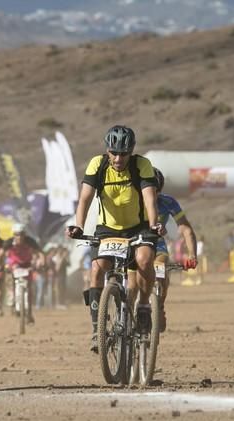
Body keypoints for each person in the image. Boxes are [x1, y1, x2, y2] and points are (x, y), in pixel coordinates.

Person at [65, 125, 164, 353]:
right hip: (108, 229)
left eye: (124, 153)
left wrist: (154, 224)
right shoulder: (97, 165)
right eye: (114, 153)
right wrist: (78, 226)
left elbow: (150, 199)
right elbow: (85, 199)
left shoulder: (142, 165)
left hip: (139, 227)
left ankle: (145, 305)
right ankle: (96, 329)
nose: (119, 158)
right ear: (107, 151)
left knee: (145, 261)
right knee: (97, 270)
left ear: (131, 152)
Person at [151, 167, 197, 332]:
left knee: (162, 267)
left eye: (155, 192)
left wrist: (192, 255)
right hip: (133, 240)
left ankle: (159, 306)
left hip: (156, 243)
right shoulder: (132, 198)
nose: (152, 196)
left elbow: (185, 228)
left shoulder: (167, 202)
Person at [0, 223, 44, 324]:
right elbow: (0, 255)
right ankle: (12, 301)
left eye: (21, 234)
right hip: (13, 265)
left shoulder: (30, 241)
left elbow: (40, 253)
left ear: (25, 234)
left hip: (27, 265)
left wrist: (41, 262)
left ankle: (29, 313)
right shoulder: (8, 242)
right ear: (13, 235)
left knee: (29, 290)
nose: (19, 237)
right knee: (9, 283)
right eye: (17, 234)